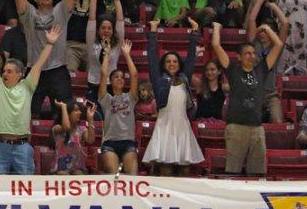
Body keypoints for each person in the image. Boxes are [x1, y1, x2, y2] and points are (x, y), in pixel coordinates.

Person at [0, 21, 59, 175]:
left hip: (22, 148)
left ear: (20, 74)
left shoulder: (27, 87)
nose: (4, 74)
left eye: (9, 71)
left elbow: (39, 64)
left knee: (25, 191)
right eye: (4, 71)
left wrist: (49, 43)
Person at [13, 0, 79, 117]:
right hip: (34, 69)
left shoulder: (61, 11)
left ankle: (65, 143)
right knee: (28, 114)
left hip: (58, 69)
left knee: (66, 113)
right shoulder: (29, 14)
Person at [213, 21, 283, 175]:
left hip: (257, 127)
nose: (252, 56)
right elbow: (216, 46)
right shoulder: (232, 70)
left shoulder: (262, 70)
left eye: (253, 53)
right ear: (239, 56)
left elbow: (278, 45)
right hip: (236, 126)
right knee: (232, 171)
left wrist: (267, 28)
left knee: (258, 173)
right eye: (247, 53)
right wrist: (217, 28)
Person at [142, 19, 203, 175]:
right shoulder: (158, 80)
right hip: (165, 126)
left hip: (182, 126)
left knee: (185, 169)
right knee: (166, 169)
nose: (171, 63)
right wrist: (153, 31)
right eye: (168, 61)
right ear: (163, 65)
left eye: (175, 61)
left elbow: (190, 58)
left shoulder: (184, 78)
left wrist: (195, 32)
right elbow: (152, 58)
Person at [99, 39, 139, 175]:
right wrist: (107, 55)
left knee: (133, 178)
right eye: (116, 76)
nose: (120, 78)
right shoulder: (106, 99)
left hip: (128, 143)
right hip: (110, 143)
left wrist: (127, 55)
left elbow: (134, 75)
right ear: (111, 81)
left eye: (122, 77)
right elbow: (103, 74)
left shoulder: (130, 98)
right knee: (112, 177)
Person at [50, 99, 96, 175]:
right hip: (59, 169)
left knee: (79, 175)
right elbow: (67, 128)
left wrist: (90, 119)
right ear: (68, 114)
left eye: (79, 110)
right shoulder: (57, 128)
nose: (80, 112)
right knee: (64, 175)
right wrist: (64, 107)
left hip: (77, 168)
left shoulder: (82, 129)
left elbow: (91, 140)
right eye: (76, 110)